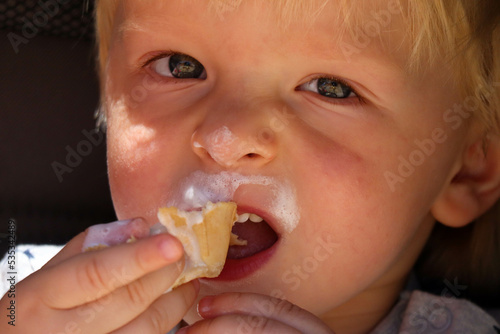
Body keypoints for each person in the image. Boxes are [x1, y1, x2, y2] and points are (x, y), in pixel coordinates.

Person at [1, 0, 500, 333]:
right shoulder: (25, 296)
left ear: (464, 172)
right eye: (179, 66)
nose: (226, 139)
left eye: (331, 88)